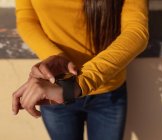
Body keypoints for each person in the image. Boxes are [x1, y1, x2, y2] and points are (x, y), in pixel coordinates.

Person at [12, 0, 149, 139]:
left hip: (107, 90)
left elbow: (136, 31)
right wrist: (57, 58)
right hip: (56, 87)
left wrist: (79, 83)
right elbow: (27, 20)